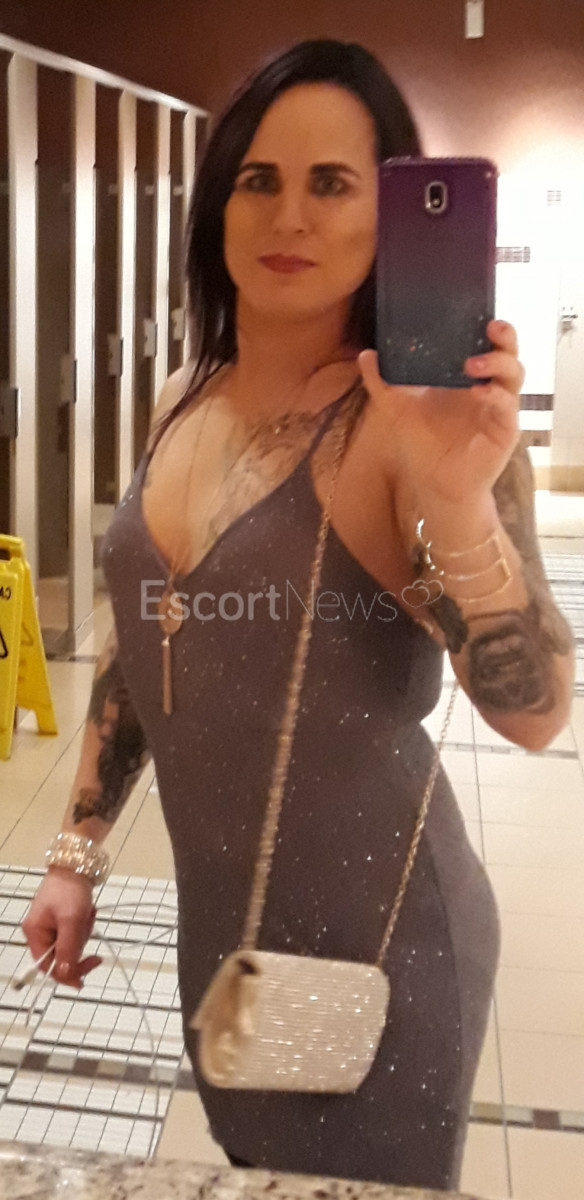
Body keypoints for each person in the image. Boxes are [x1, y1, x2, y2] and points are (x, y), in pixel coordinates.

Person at [23, 39, 573, 1192]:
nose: (289, 215)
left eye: (331, 183)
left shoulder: (413, 428)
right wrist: (76, 854)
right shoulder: (181, 400)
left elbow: (534, 713)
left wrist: (456, 500)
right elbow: (141, 636)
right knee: (254, 1163)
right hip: (226, 940)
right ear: (218, 205)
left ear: (389, 214)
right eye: (258, 179)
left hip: (381, 949)